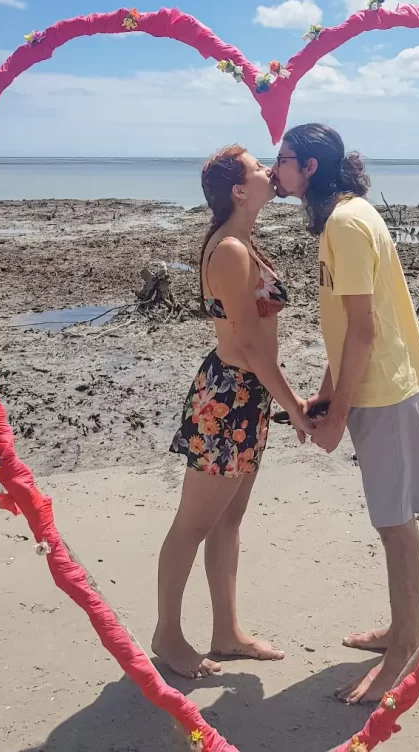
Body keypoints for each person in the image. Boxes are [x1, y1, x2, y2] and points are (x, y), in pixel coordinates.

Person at [273, 123, 419, 705]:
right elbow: (344, 328)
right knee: (391, 516)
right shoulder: (346, 215)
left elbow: (364, 329)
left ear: (310, 167)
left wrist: (337, 416)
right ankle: (402, 626)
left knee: (394, 522)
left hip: (383, 391)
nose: (275, 171)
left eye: (284, 160)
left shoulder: (345, 223)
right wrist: (326, 393)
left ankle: (405, 644)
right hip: (377, 382)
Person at [153, 144, 313, 679]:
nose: (269, 169)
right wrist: (296, 406)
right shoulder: (231, 251)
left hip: (247, 394)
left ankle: (226, 631)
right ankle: (168, 634)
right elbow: (247, 346)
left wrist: (281, 401)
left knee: (228, 520)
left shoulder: (243, 243)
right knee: (193, 524)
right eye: (256, 167)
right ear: (239, 190)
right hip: (229, 397)